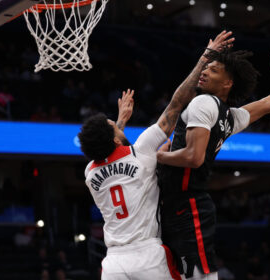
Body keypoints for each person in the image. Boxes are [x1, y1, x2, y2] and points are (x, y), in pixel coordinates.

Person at [157, 31, 270, 279]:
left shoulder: (203, 103)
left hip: (186, 205)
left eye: (214, 70)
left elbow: (194, 157)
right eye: (206, 67)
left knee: (200, 275)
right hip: (185, 205)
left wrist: (160, 157)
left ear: (227, 83)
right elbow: (265, 105)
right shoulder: (226, 116)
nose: (205, 71)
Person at [79, 32, 232, 280]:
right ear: (115, 138)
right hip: (147, 256)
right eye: (114, 126)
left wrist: (119, 124)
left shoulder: (90, 173)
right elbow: (176, 103)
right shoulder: (143, 151)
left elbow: (111, 156)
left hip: (113, 264)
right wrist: (205, 58)